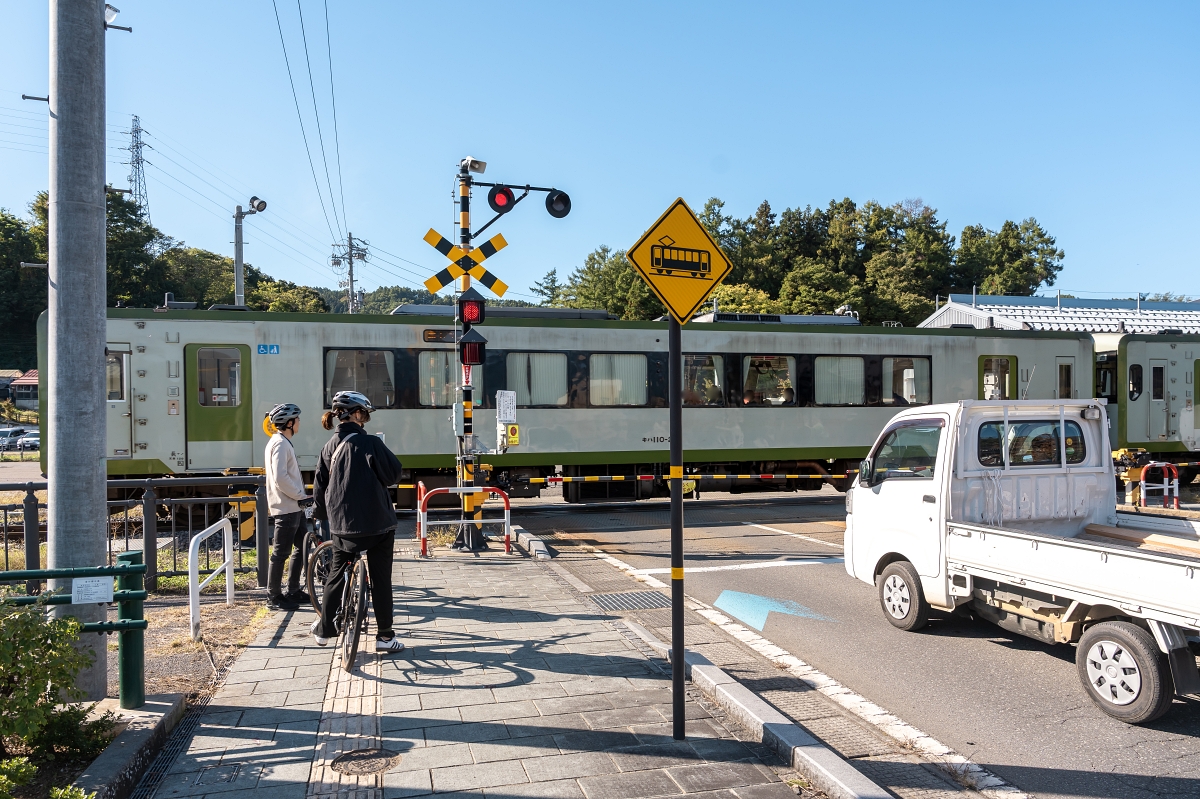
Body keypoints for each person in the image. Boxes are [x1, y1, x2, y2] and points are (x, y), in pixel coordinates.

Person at [310, 391, 406, 653]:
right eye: (363, 414)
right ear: (353, 414)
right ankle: (385, 637)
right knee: (381, 579)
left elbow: (319, 488)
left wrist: (320, 517)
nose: (365, 419)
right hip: (378, 525)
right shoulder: (371, 444)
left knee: (336, 573)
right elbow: (394, 473)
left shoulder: (328, 447)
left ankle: (324, 630)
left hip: (342, 526)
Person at [264, 403, 309, 611]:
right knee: (281, 553)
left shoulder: (281, 442)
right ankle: (273, 596)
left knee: (301, 547)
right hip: (287, 507)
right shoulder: (280, 444)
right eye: (297, 419)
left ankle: (293, 590)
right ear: (289, 423)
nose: (299, 422)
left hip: (294, 507)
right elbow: (280, 477)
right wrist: (300, 496)